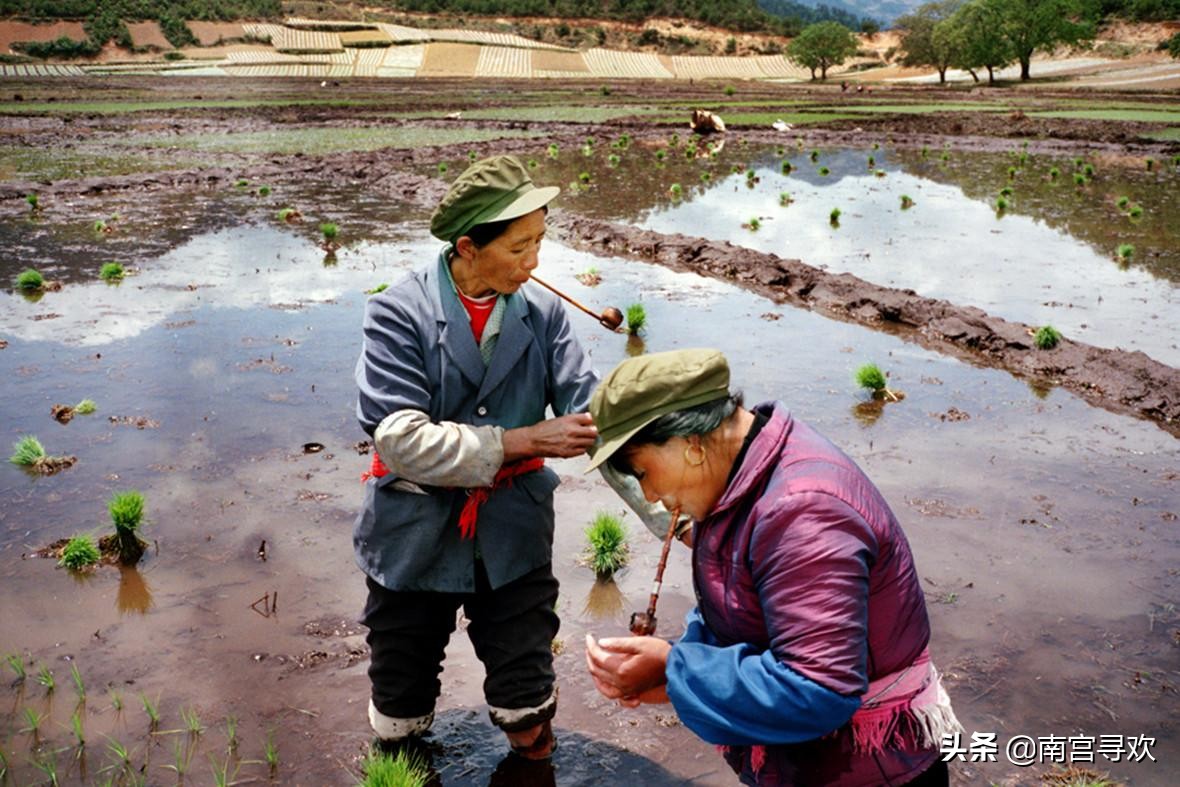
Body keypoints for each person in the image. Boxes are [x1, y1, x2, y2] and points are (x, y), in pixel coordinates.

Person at [583, 348, 961, 786]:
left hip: (872, 772)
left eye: (642, 472)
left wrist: (676, 669)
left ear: (689, 445)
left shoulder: (802, 510)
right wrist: (675, 668)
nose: (648, 496)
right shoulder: (740, 474)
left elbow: (818, 688)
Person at [353, 154, 601, 767]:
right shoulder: (397, 313)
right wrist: (521, 442)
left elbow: (590, 415)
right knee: (400, 712)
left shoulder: (544, 317)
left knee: (528, 703)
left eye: (540, 242)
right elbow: (399, 439)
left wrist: (674, 489)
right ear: (469, 246)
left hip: (514, 536)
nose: (534, 261)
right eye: (520, 247)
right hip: (413, 538)